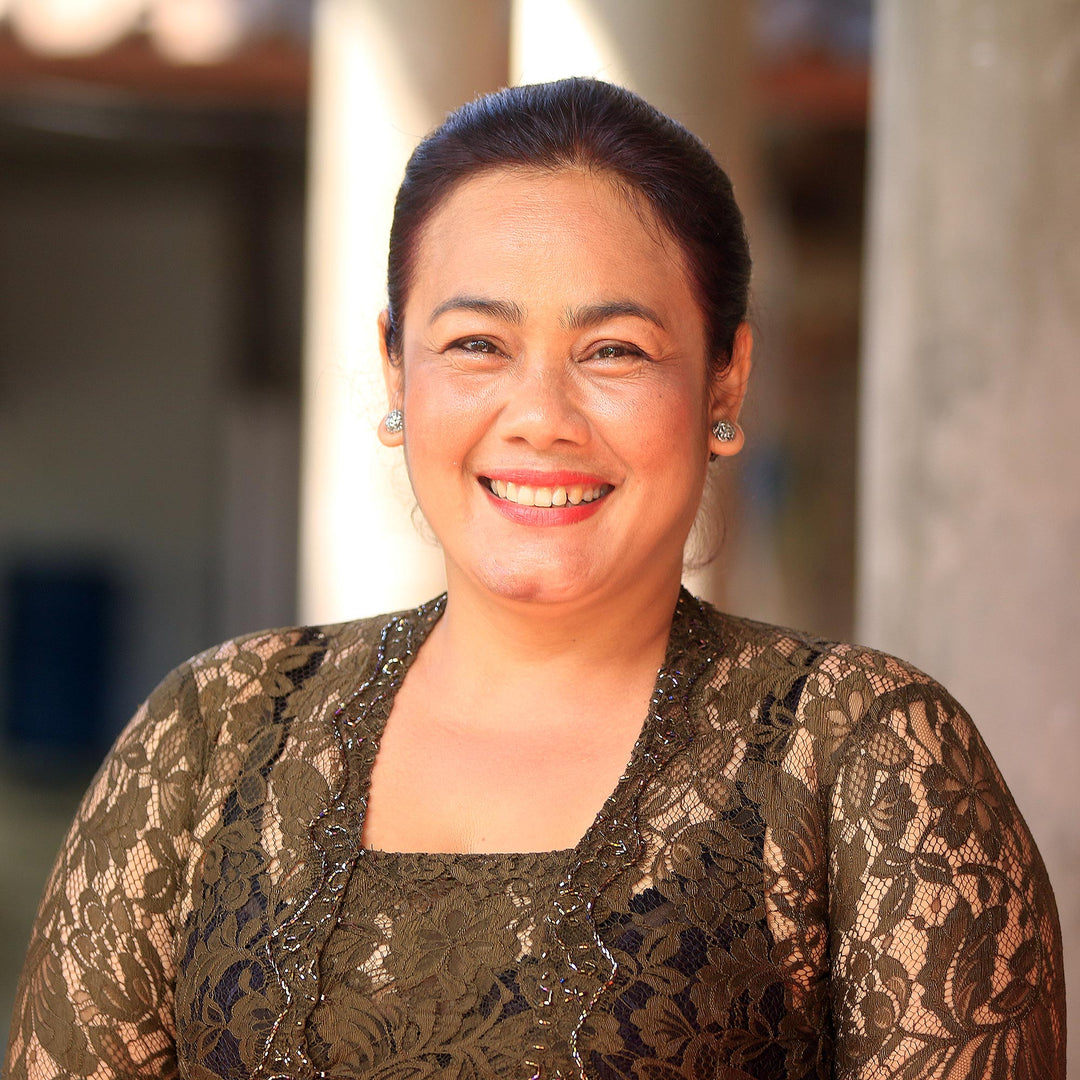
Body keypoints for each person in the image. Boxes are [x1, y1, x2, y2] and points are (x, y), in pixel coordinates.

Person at [4, 78, 1065, 1080]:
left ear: (724, 375)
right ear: (394, 368)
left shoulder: (866, 759)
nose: (542, 417)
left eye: (614, 351)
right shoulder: (214, 735)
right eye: (477, 343)